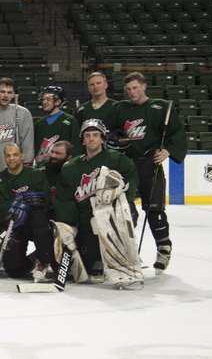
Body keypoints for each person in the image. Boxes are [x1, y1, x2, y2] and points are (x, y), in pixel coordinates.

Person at [106, 72, 187, 275]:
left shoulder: (160, 107)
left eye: (135, 88)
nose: (132, 92)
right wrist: (115, 140)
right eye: (128, 89)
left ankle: (163, 248)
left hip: (150, 163)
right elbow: (109, 132)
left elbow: (176, 133)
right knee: (124, 210)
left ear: (144, 86)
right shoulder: (120, 108)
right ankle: (127, 251)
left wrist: (168, 150)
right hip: (126, 165)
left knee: (154, 210)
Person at [53, 119, 139, 284]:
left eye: (95, 135)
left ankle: (123, 257)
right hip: (86, 221)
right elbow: (65, 199)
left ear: (102, 139)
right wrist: (70, 225)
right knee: (87, 265)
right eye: (87, 135)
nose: (91, 139)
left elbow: (130, 181)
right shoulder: (70, 168)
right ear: (82, 140)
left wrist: (124, 195)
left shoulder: (116, 159)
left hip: (115, 214)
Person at [0, 143, 56, 281]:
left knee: (38, 218)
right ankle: (34, 257)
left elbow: (46, 202)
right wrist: (22, 204)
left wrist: (24, 206)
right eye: (8, 155)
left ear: (22, 156)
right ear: (4, 158)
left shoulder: (36, 175)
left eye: (15, 155)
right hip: (14, 226)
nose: (11, 158)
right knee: (14, 271)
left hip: (34, 224)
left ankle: (44, 260)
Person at [0, 77, 33, 182]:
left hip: (14, 174)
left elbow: (27, 144)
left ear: (13, 94)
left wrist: (26, 168)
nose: (5, 95)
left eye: (9, 92)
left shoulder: (23, 113)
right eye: (2, 92)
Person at [33, 86, 81, 171]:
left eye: (48, 99)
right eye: (43, 99)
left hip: (62, 170)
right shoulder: (39, 123)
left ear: (58, 101)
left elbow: (76, 148)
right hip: (42, 170)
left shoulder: (70, 121)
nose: (44, 102)